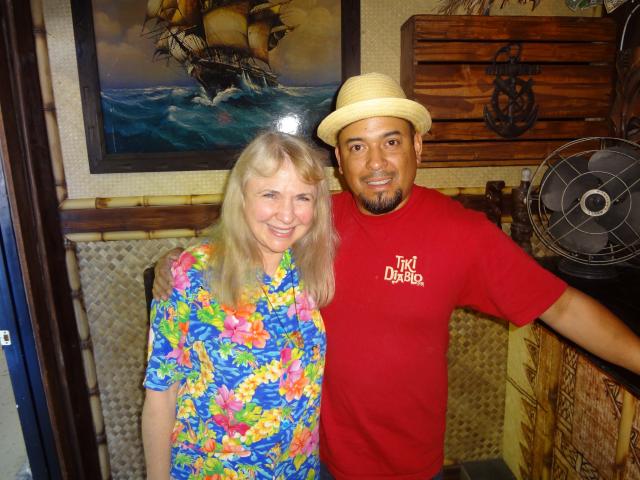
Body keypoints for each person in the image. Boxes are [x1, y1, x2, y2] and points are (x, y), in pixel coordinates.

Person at [153, 73, 640, 480]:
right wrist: (172, 261)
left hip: (408, 465)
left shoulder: (463, 233)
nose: (376, 164)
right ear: (339, 160)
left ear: (417, 146)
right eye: (357, 146)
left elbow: (562, 305)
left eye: (391, 142)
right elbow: (243, 237)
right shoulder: (311, 220)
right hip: (313, 458)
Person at [142, 131, 336, 480]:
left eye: (302, 197)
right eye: (270, 194)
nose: (287, 214)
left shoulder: (310, 267)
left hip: (297, 470)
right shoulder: (191, 274)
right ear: (241, 197)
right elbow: (160, 396)